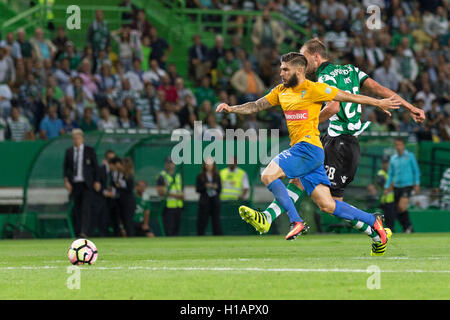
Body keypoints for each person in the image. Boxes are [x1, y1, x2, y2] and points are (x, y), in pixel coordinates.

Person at [251, 39, 425, 255]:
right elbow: (380, 90)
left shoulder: (324, 77)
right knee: (302, 183)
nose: (303, 65)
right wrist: (410, 107)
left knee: (329, 204)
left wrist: (309, 121)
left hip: (340, 144)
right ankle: (269, 217)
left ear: (316, 57)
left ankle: (374, 227)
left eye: (305, 58)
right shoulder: (352, 70)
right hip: (336, 142)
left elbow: (333, 106)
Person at [216, 52, 400, 249]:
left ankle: (295, 221)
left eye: (285, 69)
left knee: (268, 175)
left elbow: (348, 96)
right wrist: (232, 108)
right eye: (281, 69)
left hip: (308, 148)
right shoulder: (280, 91)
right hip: (311, 153)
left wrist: (379, 102)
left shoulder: (314, 89)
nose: (281, 73)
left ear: (299, 70)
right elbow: (256, 105)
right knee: (327, 205)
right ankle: (373, 221)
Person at [63, 129, 100, 237]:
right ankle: (78, 230)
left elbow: (95, 167)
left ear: (82, 138)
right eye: (74, 138)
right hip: (75, 184)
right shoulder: (69, 152)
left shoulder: (89, 150)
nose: (76, 140)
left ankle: (84, 231)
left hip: (86, 184)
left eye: (78, 138)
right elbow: (66, 168)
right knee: (77, 208)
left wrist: (97, 181)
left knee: (86, 208)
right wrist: (67, 181)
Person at [384, 138, 421, 233]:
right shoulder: (393, 158)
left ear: (403, 145)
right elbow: (391, 174)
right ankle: (407, 228)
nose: (398, 147)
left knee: (401, 206)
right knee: (398, 209)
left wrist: (417, 183)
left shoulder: (410, 156)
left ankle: (408, 226)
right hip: (397, 186)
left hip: (407, 185)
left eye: (400, 145)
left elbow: (415, 170)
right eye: (396, 145)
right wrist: (387, 187)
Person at [156, 156, 184, 236]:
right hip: (167, 206)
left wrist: (181, 195)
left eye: (171, 163)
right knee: (169, 229)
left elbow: (180, 189)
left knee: (176, 229)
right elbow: (160, 192)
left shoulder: (178, 175)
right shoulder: (162, 176)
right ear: (165, 164)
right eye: (168, 163)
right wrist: (177, 196)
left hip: (178, 206)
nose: (170, 165)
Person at [109, 157, 136, 237]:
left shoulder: (129, 176)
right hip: (120, 201)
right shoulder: (118, 174)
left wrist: (119, 186)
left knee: (128, 221)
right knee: (122, 221)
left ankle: (131, 237)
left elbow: (129, 189)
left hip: (128, 202)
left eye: (123, 165)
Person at [196, 157, 222, 236]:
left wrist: (214, 186)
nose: (208, 166)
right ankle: (200, 235)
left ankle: (217, 236)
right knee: (202, 220)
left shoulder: (217, 176)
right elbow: (198, 189)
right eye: (207, 164)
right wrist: (205, 186)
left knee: (216, 220)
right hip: (204, 201)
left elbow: (220, 188)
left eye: (210, 164)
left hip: (215, 201)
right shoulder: (200, 176)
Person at [376, 156, 396, 230]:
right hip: (386, 201)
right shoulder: (381, 173)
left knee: (392, 221)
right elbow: (384, 186)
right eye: (383, 163)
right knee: (388, 223)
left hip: (395, 200)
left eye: (387, 163)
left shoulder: (393, 173)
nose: (385, 165)